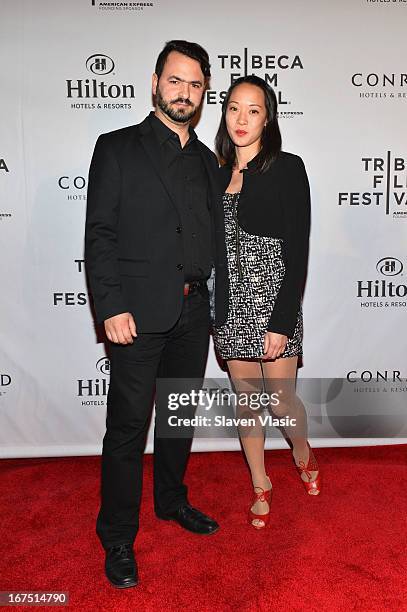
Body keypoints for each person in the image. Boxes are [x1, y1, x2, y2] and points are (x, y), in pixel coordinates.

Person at [85, 40, 228, 588]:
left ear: (203, 93)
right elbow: (99, 233)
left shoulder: (208, 163)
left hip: (195, 312)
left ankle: (171, 501)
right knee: (126, 428)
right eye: (176, 81)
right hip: (136, 316)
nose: (185, 92)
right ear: (154, 83)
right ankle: (117, 534)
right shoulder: (117, 147)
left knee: (176, 419)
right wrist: (111, 305)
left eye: (195, 84)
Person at [212, 75, 321, 530]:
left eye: (253, 110)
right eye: (234, 107)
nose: (242, 119)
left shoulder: (288, 168)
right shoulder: (212, 172)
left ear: (268, 118)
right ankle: (260, 482)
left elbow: (298, 249)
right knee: (247, 400)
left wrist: (281, 320)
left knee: (280, 401)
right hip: (230, 304)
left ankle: (301, 449)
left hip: (273, 301)